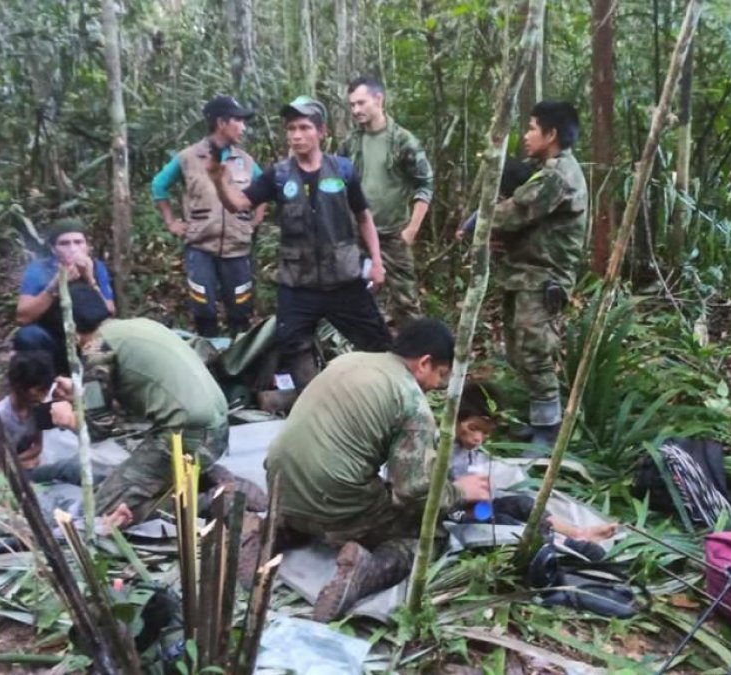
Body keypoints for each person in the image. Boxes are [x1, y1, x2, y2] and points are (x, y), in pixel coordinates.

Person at [264, 318, 491, 622]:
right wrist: (460, 490)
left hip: (278, 484)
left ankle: (275, 530)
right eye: (440, 375)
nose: (436, 386)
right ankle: (365, 572)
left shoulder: (348, 360)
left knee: (353, 489)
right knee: (428, 537)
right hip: (333, 500)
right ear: (424, 363)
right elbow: (412, 492)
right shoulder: (411, 402)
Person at [209, 96, 392, 388]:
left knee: (377, 343)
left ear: (322, 132)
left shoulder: (343, 170)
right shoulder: (278, 175)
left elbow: (363, 217)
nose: (296, 135)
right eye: (291, 128)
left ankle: (384, 395)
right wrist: (219, 180)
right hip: (298, 283)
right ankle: (313, 398)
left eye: (304, 127)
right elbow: (238, 204)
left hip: (344, 278)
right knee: (292, 342)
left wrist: (377, 263)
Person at [53, 290, 238, 524]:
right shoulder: (139, 326)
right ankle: (202, 479)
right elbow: (136, 393)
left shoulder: (97, 347)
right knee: (128, 481)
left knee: (101, 510)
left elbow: (99, 429)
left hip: (187, 437)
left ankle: (210, 502)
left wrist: (69, 418)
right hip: (217, 429)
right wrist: (83, 394)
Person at [490, 101, 588, 448]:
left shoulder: (557, 176)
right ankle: (539, 419)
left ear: (552, 134)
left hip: (543, 277)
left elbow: (513, 213)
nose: (526, 135)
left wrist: (480, 220)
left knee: (535, 350)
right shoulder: (544, 168)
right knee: (519, 349)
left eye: (532, 128)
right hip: (525, 273)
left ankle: (549, 430)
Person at [151, 95, 266, 337]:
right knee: (203, 309)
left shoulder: (245, 161)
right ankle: (207, 358)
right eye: (239, 121)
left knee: (241, 309)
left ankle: (239, 362)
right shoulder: (188, 158)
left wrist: (255, 221)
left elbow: (263, 190)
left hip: (237, 248)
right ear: (221, 123)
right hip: (200, 247)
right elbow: (159, 186)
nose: (243, 127)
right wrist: (171, 222)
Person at [447, 390, 617, 545]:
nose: (478, 438)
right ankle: (561, 544)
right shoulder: (439, 449)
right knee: (503, 522)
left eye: (485, 433)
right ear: (454, 419)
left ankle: (576, 533)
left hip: (474, 508)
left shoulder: (469, 452)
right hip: (453, 514)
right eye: (473, 428)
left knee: (523, 504)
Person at [341, 76, 434, 328]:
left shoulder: (404, 141)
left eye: (361, 103)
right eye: (352, 105)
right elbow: (339, 184)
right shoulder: (350, 143)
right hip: (358, 236)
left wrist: (411, 230)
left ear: (378, 99)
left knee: (406, 302)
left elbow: (425, 183)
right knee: (361, 300)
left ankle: (416, 358)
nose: (356, 110)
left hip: (394, 235)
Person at [14, 218, 116, 373]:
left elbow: (110, 311)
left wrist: (90, 280)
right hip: (54, 339)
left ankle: (97, 382)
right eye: (64, 243)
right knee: (28, 336)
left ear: (87, 246)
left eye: (78, 242)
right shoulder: (39, 269)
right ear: (54, 249)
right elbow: (23, 317)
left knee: (108, 340)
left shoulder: (96, 267)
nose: (72, 248)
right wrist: (55, 285)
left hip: (88, 339)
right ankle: (46, 385)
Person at [0, 350, 86, 486]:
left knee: (76, 465)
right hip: (9, 480)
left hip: (26, 467)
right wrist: (18, 464)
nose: (44, 396)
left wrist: (17, 462)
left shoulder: (37, 408)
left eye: (46, 390)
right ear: (19, 386)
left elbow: (37, 448)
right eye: (39, 391)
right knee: (65, 470)